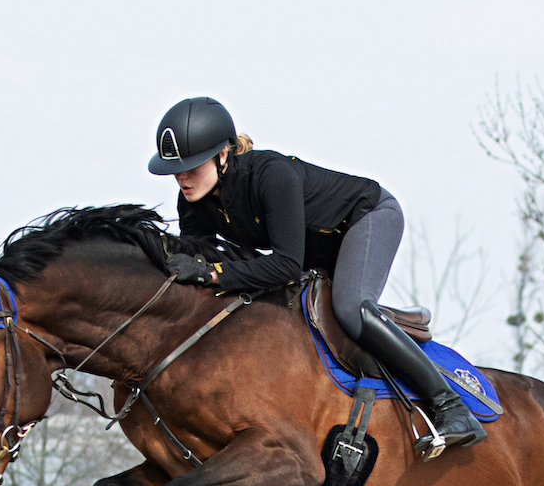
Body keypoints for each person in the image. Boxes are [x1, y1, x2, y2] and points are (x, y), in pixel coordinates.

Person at [147, 96, 485, 456]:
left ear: (223, 155)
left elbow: (284, 266)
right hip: (317, 251)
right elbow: (198, 257)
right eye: (175, 169)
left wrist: (213, 274)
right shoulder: (193, 201)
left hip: (367, 218)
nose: (181, 177)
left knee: (352, 309)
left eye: (192, 166)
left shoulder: (269, 175)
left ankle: (451, 407)